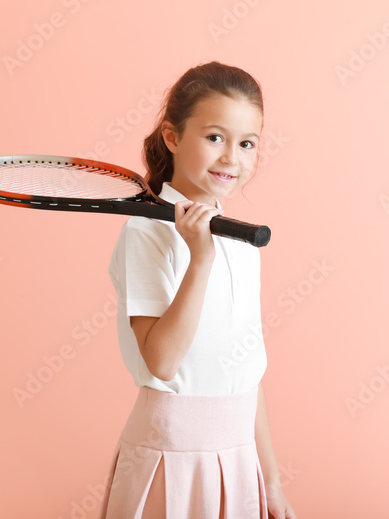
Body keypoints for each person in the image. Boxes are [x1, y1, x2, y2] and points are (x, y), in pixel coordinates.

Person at [98, 61, 296, 519]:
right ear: (172, 136)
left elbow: (248, 374)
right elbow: (163, 362)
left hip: (240, 460)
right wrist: (200, 258)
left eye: (247, 143)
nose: (232, 158)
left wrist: (272, 482)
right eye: (214, 137)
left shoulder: (244, 243)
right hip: (170, 459)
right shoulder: (145, 234)